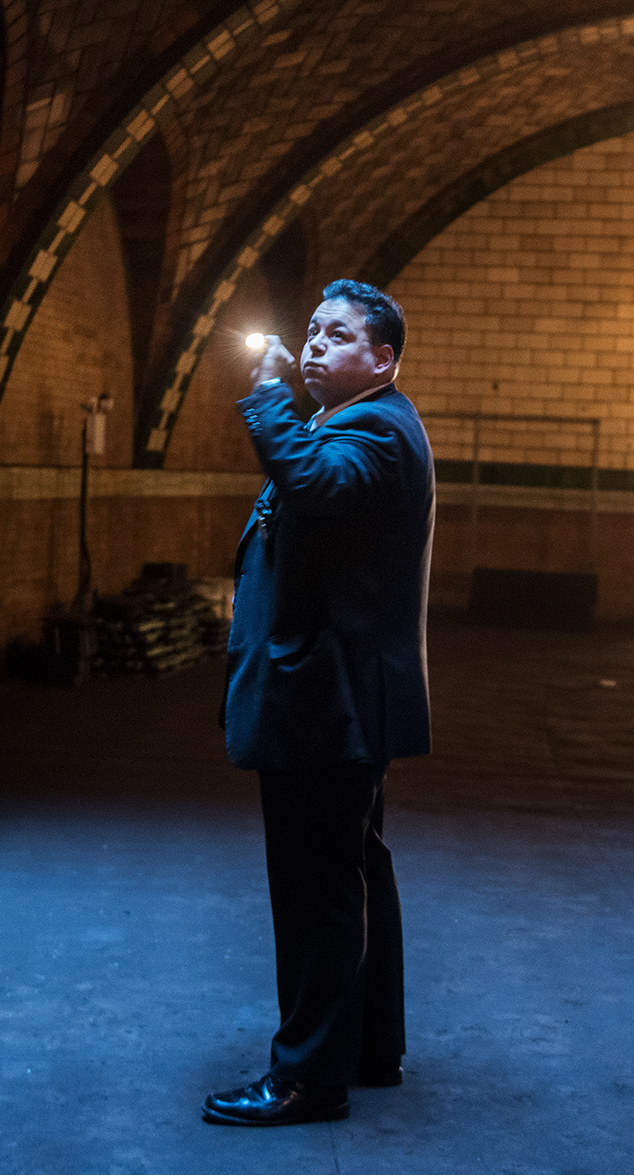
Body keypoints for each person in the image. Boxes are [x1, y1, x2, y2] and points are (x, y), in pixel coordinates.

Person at [202, 280, 435, 1128]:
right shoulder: (354, 423)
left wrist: (265, 401)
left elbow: (315, 487)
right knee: (352, 875)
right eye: (311, 332)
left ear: (383, 359)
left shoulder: (373, 428)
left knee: (315, 893)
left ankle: (306, 1079)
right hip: (333, 699)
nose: (312, 346)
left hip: (324, 702)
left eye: (337, 336)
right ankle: (366, 1048)